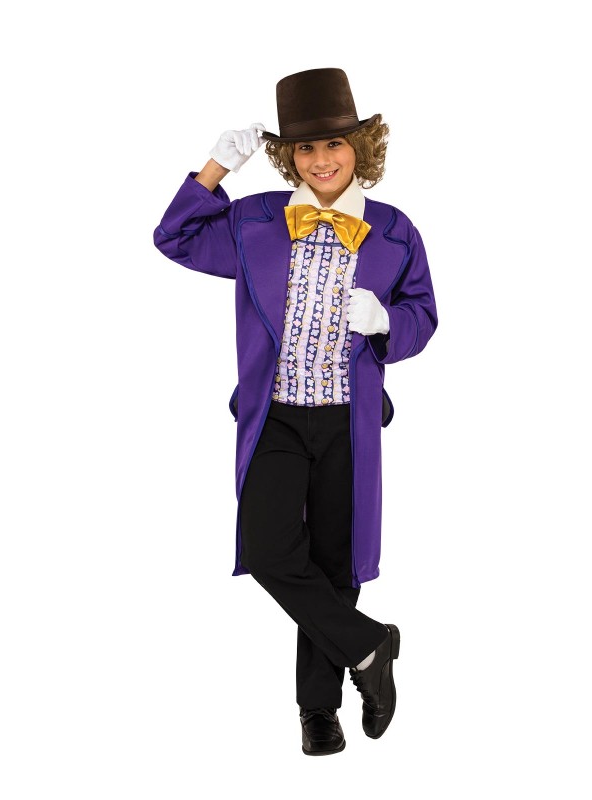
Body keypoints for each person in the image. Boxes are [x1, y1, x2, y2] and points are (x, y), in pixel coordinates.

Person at [153, 67, 437, 756]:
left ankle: (319, 711)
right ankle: (369, 646)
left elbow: (424, 314)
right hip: (275, 417)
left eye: (334, 143)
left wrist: (386, 322)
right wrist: (217, 167)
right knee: (268, 549)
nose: (321, 159)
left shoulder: (395, 232)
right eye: (305, 148)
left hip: (347, 422)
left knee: (334, 564)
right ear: (289, 156)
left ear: (359, 146)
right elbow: (176, 237)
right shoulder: (254, 220)